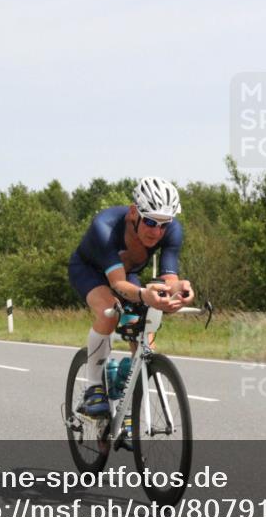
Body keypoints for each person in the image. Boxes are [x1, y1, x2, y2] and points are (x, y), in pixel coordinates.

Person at [68, 176, 194, 424]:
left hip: (127, 275)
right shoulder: (105, 226)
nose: (156, 232)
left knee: (145, 338)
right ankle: (93, 388)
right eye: (150, 222)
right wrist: (144, 295)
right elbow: (117, 284)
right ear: (134, 212)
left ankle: (126, 410)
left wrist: (180, 289)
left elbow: (170, 278)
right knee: (111, 310)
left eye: (163, 224)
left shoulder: (172, 231)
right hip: (89, 271)